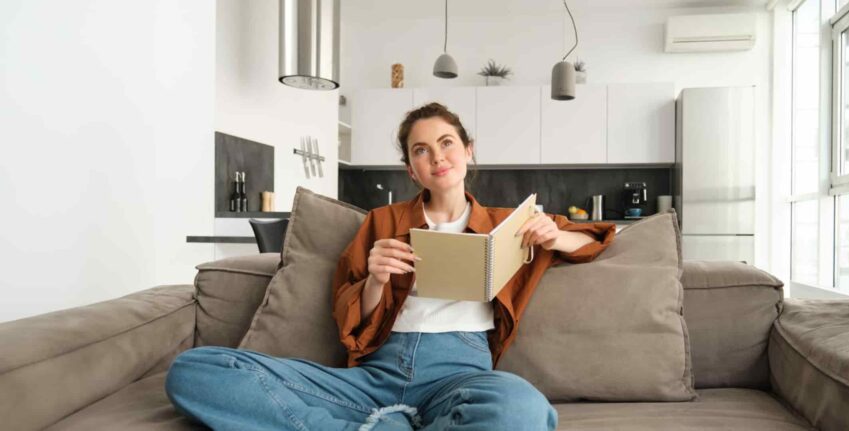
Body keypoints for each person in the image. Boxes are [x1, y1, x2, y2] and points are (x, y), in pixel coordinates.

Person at [165, 102, 616, 430]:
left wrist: (556, 235)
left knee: (523, 410)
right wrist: (376, 281)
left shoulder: (507, 224)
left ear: (468, 151)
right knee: (195, 371)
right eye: (422, 151)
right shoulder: (382, 222)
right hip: (374, 376)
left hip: (462, 374)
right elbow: (351, 316)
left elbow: (594, 239)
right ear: (411, 169)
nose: (437, 156)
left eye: (446, 143)